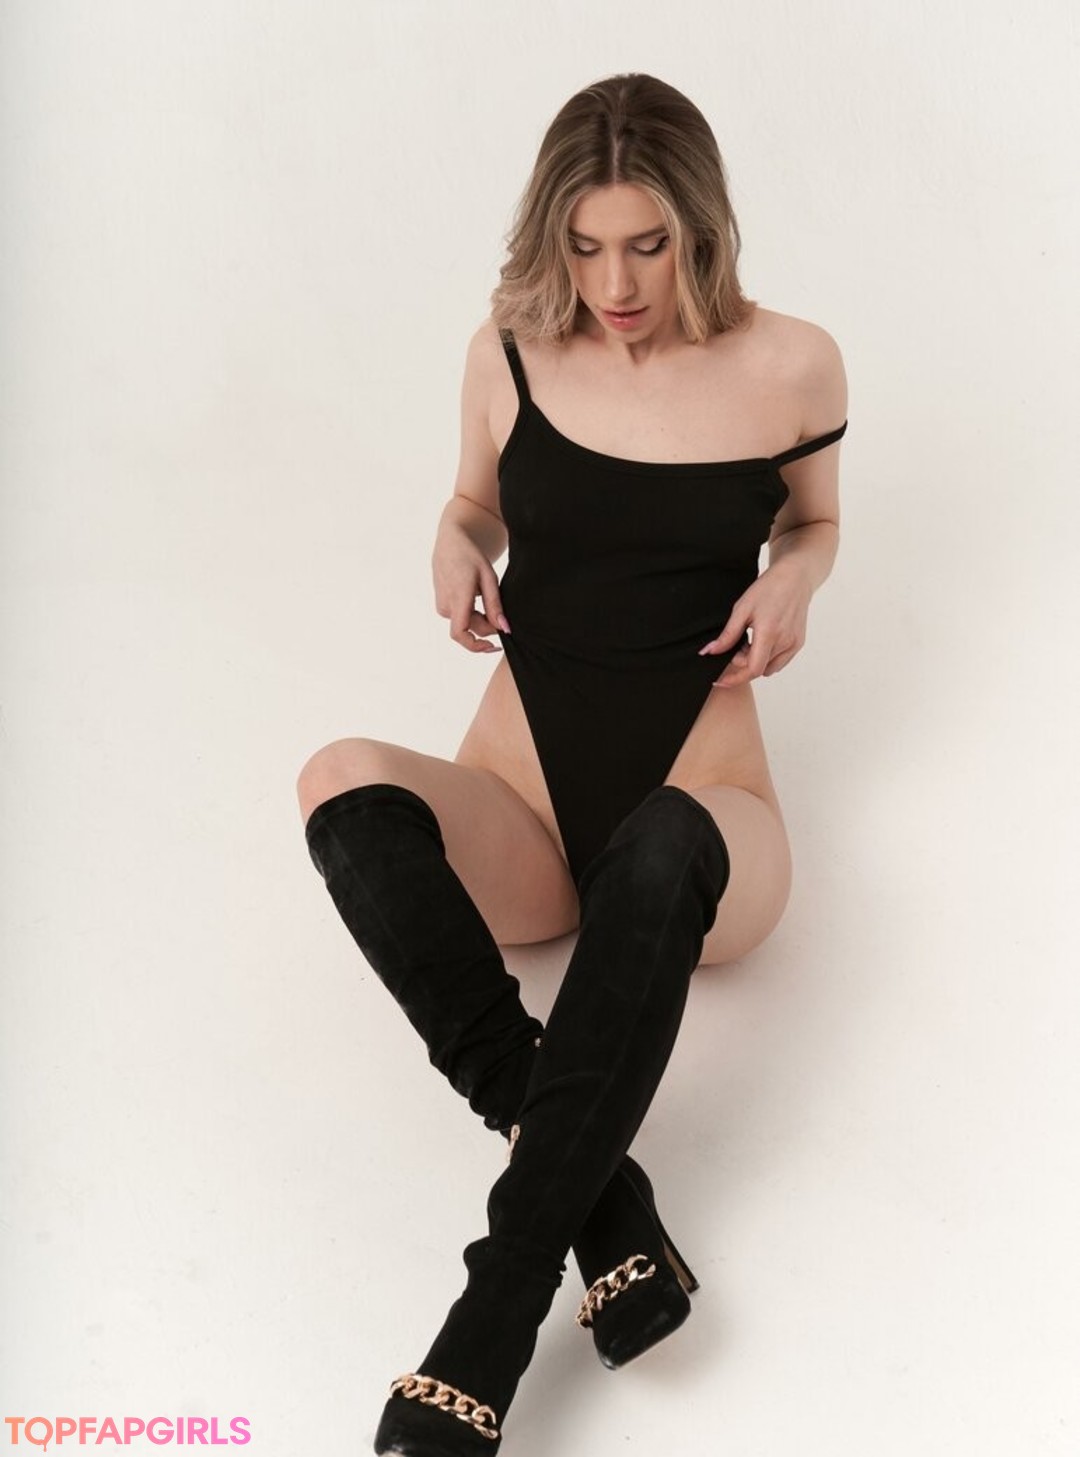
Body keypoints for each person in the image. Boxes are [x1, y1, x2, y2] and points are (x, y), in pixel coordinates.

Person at [297, 71, 847, 1455]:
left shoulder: (793, 364)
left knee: (660, 842)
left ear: (701, 229)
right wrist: (453, 537)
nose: (615, 283)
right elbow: (474, 501)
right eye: (586, 245)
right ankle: (608, 1208)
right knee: (338, 777)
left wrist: (798, 579)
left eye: (648, 245)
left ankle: (492, 1311)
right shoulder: (510, 348)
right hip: (525, 799)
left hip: (706, 805)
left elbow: (815, 525)